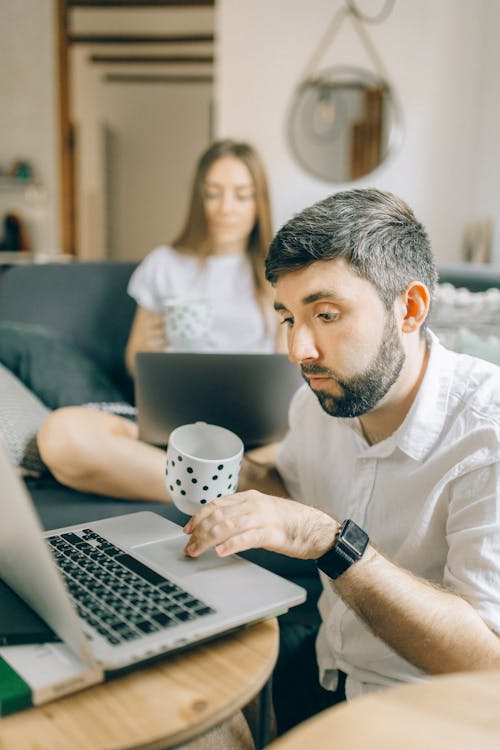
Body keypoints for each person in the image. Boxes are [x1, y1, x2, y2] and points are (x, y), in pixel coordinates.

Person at [182, 188, 500, 728]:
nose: (298, 351)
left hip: (433, 715)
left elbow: (487, 663)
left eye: (326, 314)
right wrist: (229, 470)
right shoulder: (316, 403)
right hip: (328, 670)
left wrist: (329, 541)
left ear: (411, 309)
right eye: (288, 318)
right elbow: (292, 489)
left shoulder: (486, 437)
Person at [38, 139, 284, 502]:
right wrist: (150, 350)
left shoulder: (279, 273)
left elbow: (288, 374)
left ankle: (214, 476)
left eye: (241, 196)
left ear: (259, 202)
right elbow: (134, 359)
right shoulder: (164, 264)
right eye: (213, 194)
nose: (226, 208)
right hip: (171, 431)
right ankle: (237, 485)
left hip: (259, 440)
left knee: (317, 436)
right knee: (61, 435)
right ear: (198, 198)